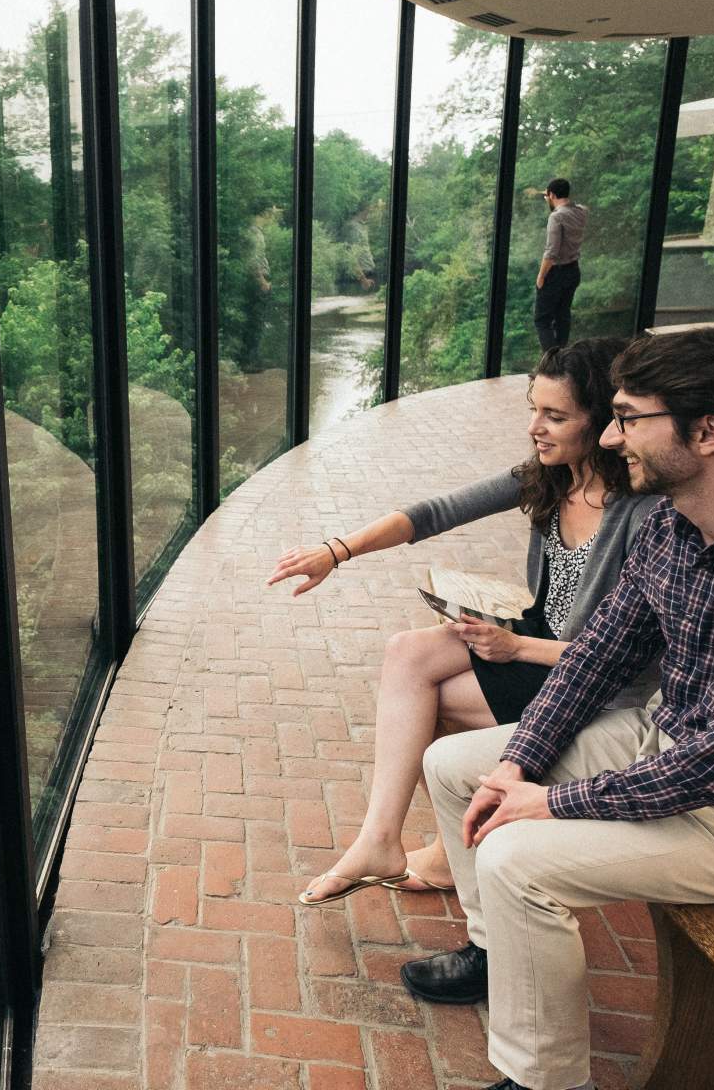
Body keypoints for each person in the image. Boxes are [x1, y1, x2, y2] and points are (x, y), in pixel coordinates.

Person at [402, 326, 714, 1090]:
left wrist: (550, 800)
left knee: (518, 857)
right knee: (456, 767)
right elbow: (596, 655)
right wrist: (518, 762)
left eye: (629, 418)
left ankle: (545, 1081)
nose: (613, 439)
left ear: (708, 431)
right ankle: (495, 953)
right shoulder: (676, 529)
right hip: (663, 745)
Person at [267, 338, 658, 904]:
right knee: (408, 650)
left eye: (554, 415)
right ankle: (383, 839)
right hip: (540, 637)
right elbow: (436, 512)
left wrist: (513, 647)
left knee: (436, 701)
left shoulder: (641, 511)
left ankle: (453, 848)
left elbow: (630, 658)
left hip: (591, 679)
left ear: (601, 422)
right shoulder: (550, 477)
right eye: (533, 409)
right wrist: (336, 551)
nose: (535, 427)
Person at [535, 178, 588, 352]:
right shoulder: (582, 212)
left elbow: (551, 252)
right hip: (573, 270)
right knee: (562, 316)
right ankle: (562, 360)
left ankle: (552, 364)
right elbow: (573, 205)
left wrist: (541, 276)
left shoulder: (556, 217)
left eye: (548, 195)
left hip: (556, 273)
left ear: (552, 195)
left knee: (542, 320)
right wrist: (548, 194)